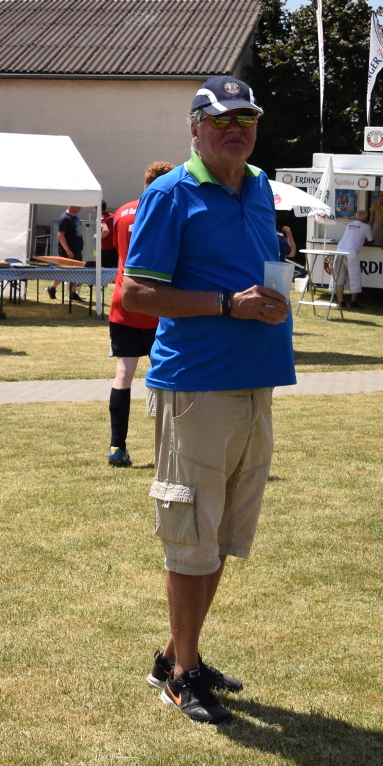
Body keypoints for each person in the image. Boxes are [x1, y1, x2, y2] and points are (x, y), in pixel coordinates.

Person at [123, 75, 293, 727]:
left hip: (257, 381)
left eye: (247, 117)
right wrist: (228, 304)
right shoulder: (170, 193)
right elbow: (135, 293)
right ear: (195, 128)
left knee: (221, 535)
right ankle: (182, 676)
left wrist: (268, 300)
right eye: (222, 119)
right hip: (196, 386)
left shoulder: (258, 189)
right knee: (191, 537)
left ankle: (176, 656)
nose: (237, 128)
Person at [107, 160, 175, 468]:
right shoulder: (168, 210)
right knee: (170, 376)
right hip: (159, 304)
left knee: (124, 375)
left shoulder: (123, 211)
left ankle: (117, 447)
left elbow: (110, 245)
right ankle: (173, 447)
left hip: (124, 302)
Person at [334, 208, 371, 307]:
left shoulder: (350, 224)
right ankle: (353, 301)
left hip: (340, 250)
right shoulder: (366, 227)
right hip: (351, 253)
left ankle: (341, 301)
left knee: (340, 277)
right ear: (366, 218)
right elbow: (371, 240)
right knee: (355, 277)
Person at [52, 204, 85, 301]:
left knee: (76, 272)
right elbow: (61, 235)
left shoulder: (76, 217)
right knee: (65, 272)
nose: (80, 207)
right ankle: (52, 288)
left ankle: (72, 293)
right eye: (78, 205)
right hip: (68, 251)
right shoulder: (64, 218)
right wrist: (68, 251)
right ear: (72, 205)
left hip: (77, 249)